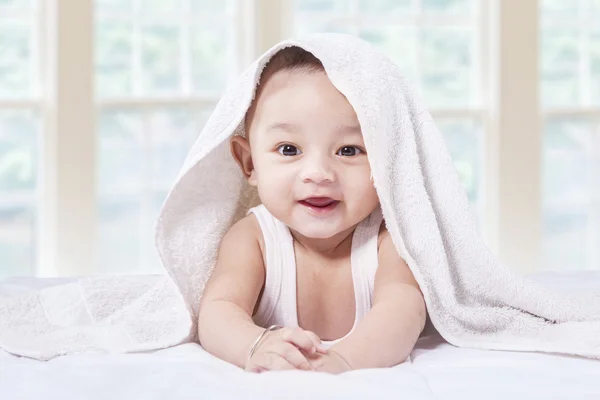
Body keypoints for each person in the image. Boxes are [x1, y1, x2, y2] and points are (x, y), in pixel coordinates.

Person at [197, 45, 427, 374]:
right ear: (250, 163)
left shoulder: (385, 238)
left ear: (387, 161)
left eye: (349, 150)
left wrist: (344, 361)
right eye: (289, 149)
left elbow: (405, 309)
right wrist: (254, 345)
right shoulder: (255, 239)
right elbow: (218, 309)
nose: (318, 173)